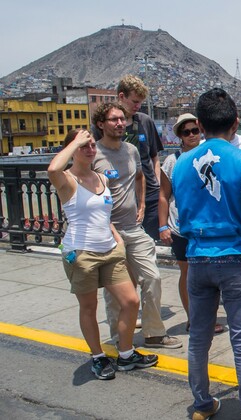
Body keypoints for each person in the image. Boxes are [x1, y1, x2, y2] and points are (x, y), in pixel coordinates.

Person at [172, 88, 241, 420]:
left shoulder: (181, 164)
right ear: (236, 123)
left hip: (198, 258)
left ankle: (203, 404)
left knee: (199, 338)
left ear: (200, 126)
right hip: (236, 257)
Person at [48, 129, 158, 380]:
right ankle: (98, 357)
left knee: (130, 301)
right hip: (81, 253)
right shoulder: (66, 180)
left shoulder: (102, 178)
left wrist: (117, 240)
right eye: (83, 146)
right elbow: (52, 169)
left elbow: (104, 216)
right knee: (89, 306)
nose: (89, 149)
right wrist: (75, 140)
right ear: (72, 150)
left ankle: (126, 353)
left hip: (109, 249)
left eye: (91, 146)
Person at [92, 103, 182, 349]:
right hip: (107, 233)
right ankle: (119, 337)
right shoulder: (94, 154)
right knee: (115, 290)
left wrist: (141, 203)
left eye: (122, 119)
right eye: (113, 120)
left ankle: (153, 333)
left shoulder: (131, 150)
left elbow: (141, 176)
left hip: (133, 228)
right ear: (101, 124)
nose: (120, 123)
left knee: (152, 277)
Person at [158, 113, 224, 335]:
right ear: (180, 136)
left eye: (195, 130)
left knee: (210, 274)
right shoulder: (172, 161)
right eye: (186, 132)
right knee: (187, 275)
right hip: (180, 225)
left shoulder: (209, 155)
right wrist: (162, 226)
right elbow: (163, 195)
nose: (192, 135)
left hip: (206, 225)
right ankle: (192, 318)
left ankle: (209, 317)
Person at [93, 75, 164, 241]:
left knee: (149, 241)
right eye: (134, 101)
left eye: (140, 102)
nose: (138, 106)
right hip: (120, 196)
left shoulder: (145, 121)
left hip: (149, 194)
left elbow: (154, 156)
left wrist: (157, 181)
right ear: (121, 97)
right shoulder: (103, 125)